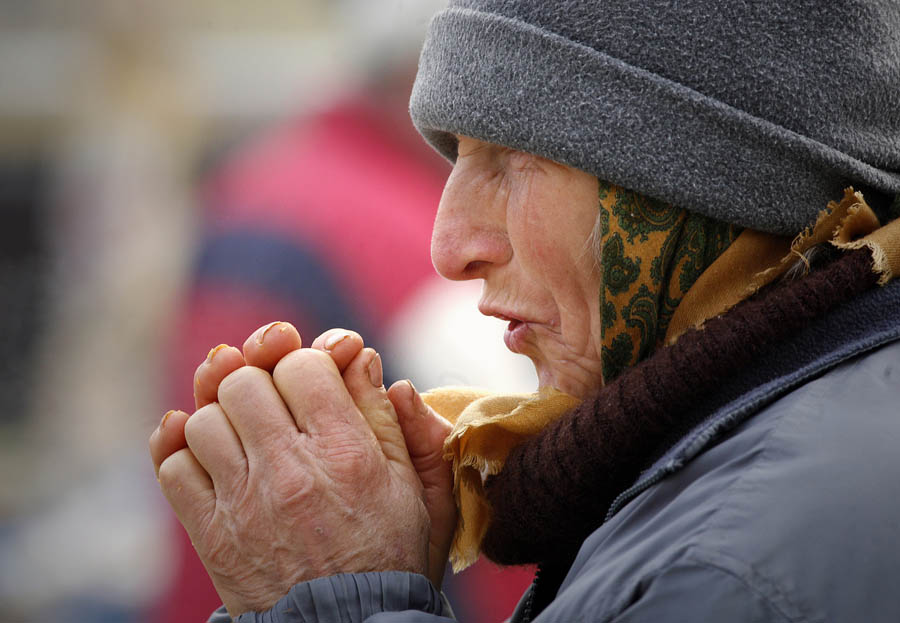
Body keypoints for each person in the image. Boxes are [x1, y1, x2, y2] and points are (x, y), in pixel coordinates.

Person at [149, 0, 900, 621]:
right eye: (454, 155)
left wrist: (340, 598)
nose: (448, 246)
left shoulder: (724, 567)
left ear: (690, 188)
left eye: (513, 159)